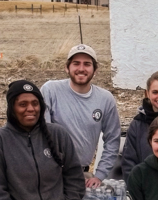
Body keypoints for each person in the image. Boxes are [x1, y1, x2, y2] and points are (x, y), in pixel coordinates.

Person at [41, 44, 121, 188]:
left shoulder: (105, 99)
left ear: (95, 70)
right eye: (76, 63)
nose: (81, 69)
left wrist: (100, 174)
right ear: (67, 67)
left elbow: (113, 139)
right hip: (51, 174)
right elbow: (42, 132)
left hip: (81, 175)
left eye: (87, 64)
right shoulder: (50, 90)